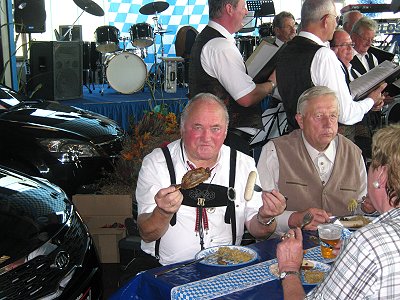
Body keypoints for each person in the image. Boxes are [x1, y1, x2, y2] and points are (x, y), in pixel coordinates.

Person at [134, 93, 286, 272]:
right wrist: (163, 212)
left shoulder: (243, 164)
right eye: (197, 127)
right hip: (166, 270)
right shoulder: (157, 164)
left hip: (226, 269)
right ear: (182, 129)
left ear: (225, 131)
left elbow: (258, 230)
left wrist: (266, 218)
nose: (206, 137)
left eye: (215, 128)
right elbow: (146, 233)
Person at [277, 124, 400, 299]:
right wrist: (353, 254)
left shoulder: (370, 242)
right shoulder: (368, 244)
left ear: (381, 175)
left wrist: (289, 269)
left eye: (372, 164)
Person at [257, 86, 369, 235]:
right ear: (300, 121)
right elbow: (259, 215)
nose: (328, 124)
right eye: (318, 116)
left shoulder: (354, 154)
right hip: (287, 246)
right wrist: (294, 218)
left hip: (341, 245)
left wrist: (367, 208)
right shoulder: (274, 152)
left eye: (333, 116)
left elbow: (360, 209)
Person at [275, 0, 385, 133]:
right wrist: (371, 100)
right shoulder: (323, 55)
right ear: (326, 20)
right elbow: (346, 114)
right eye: (336, 18)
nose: (336, 23)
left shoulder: (285, 50)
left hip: (293, 137)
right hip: (318, 141)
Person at [188, 0, 277, 154]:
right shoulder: (220, 46)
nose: (246, 11)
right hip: (228, 140)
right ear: (229, 9)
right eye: (243, 7)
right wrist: (272, 83)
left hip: (221, 138)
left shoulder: (209, 38)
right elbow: (246, 98)